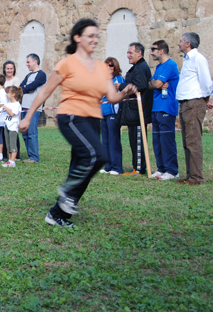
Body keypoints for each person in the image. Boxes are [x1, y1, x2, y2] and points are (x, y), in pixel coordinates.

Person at [20, 19, 137, 227]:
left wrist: (125, 91)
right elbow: (46, 91)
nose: (95, 40)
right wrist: (28, 116)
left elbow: (111, 97)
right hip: (71, 117)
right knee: (98, 155)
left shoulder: (102, 68)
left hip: (93, 120)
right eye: (90, 36)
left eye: (97, 36)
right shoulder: (67, 64)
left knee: (81, 165)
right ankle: (67, 191)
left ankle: (57, 215)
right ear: (77, 38)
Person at [176, 32, 213, 185]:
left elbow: (206, 82)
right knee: (187, 141)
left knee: (193, 141)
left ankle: (197, 178)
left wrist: (205, 100)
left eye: (180, 41)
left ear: (188, 43)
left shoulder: (198, 59)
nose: (178, 43)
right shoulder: (187, 60)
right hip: (185, 103)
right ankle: (190, 175)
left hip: (194, 103)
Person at [118, 43, 153, 176]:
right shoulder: (136, 67)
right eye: (127, 53)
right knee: (133, 141)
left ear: (139, 53)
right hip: (133, 112)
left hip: (139, 112)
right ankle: (135, 167)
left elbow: (139, 85)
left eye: (130, 53)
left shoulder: (141, 67)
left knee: (138, 141)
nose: (128, 55)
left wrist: (121, 85)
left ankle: (139, 169)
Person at [148, 40, 180, 181]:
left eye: (153, 49)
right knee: (157, 140)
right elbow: (150, 84)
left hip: (167, 106)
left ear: (161, 50)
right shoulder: (159, 67)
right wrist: (155, 84)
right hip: (156, 107)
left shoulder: (170, 65)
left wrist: (156, 84)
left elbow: (157, 83)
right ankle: (161, 168)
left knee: (167, 140)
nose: (151, 52)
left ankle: (172, 170)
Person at [99, 57, 125, 176]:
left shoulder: (118, 78)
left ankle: (117, 166)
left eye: (111, 65)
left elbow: (119, 93)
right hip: (103, 112)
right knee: (105, 140)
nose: (108, 68)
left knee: (114, 140)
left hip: (113, 113)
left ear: (115, 67)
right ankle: (107, 165)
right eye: (106, 65)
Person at [20, 54, 47, 163]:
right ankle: (30, 155)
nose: (27, 64)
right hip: (24, 108)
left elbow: (31, 87)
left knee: (31, 133)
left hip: (34, 108)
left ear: (35, 62)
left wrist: (26, 88)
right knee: (25, 133)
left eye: (28, 62)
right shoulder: (28, 76)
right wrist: (25, 88)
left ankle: (34, 157)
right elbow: (20, 88)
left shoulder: (41, 75)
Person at [2, 60, 21, 160]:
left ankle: (14, 157)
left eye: (11, 68)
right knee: (6, 136)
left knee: (13, 137)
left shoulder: (16, 80)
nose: (9, 70)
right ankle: (7, 156)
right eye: (7, 68)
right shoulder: (3, 79)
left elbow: (15, 91)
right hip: (6, 106)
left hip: (11, 107)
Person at [2, 86, 23, 168]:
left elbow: (12, 114)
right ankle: (9, 160)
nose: (6, 94)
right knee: (8, 145)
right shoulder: (8, 104)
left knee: (13, 144)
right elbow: (0, 110)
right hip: (6, 125)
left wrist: (6, 108)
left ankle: (12, 161)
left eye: (8, 93)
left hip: (13, 126)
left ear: (13, 94)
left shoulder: (17, 105)